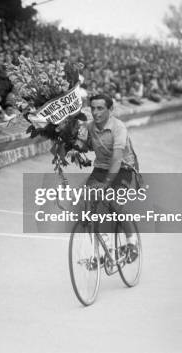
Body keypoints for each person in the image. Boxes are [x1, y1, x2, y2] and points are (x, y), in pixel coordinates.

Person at [75, 94, 140, 257]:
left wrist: (106, 184)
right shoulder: (89, 127)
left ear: (110, 110)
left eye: (100, 108)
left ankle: (132, 243)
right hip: (101, 168)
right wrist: (73, 141)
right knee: (87, 204)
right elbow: (80, 147)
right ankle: (107, 250)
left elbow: (117, 159)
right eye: (93, 108)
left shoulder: (119, 128)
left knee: (113, 204)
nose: (95, 113)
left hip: (123, 168)